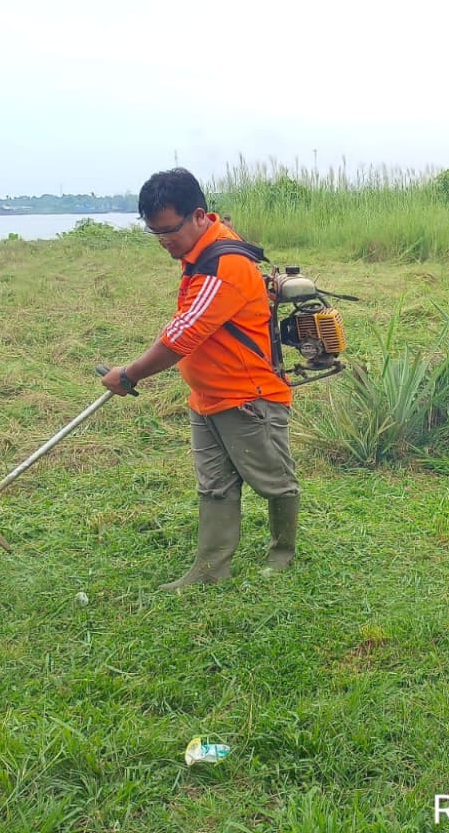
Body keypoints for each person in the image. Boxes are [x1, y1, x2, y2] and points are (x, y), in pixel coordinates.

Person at [101, 167, 300, 589]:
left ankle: (282, 554)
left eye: (169, 230)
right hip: (207, 396)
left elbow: (182, 336)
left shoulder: (224, 264)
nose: (164, 242)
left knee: (273, 482)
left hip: (247, 396)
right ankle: (211, 571)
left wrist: (130, 374)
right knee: (214, 486)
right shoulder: (199, 253)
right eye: (155, 233)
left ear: (198, 215)